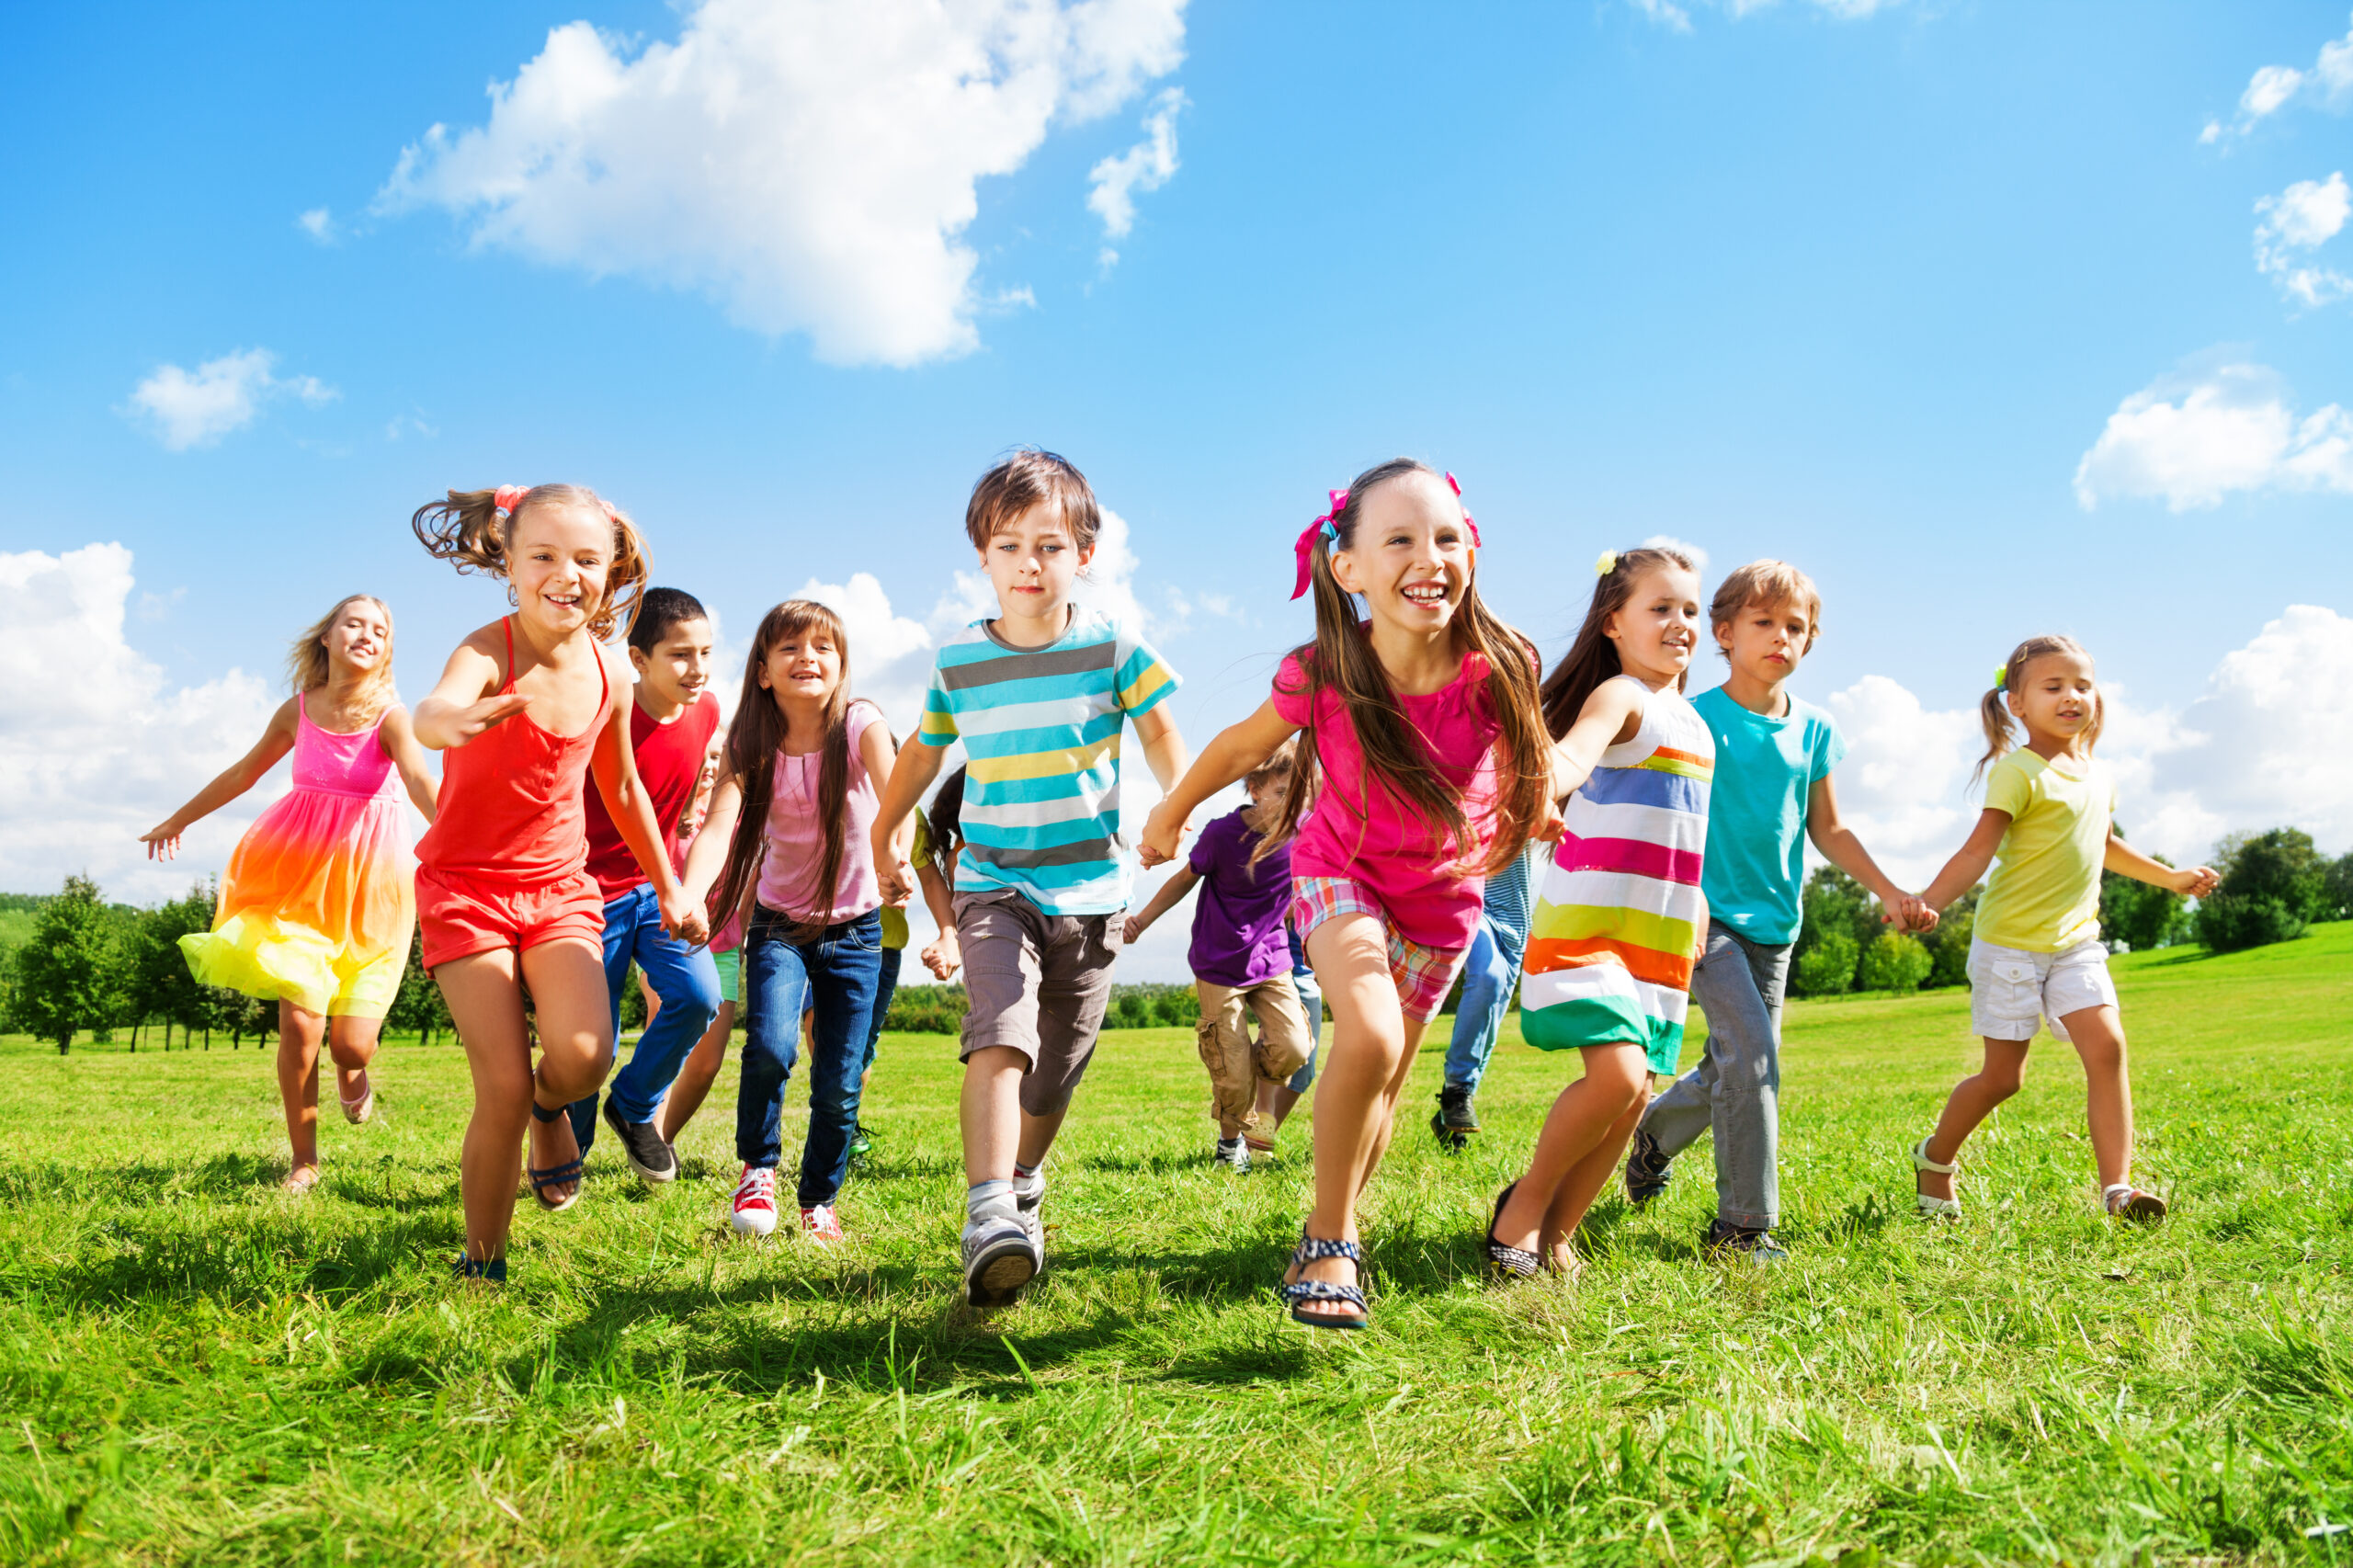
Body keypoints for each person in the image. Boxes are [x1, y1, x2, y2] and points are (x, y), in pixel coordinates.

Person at [1141, 460, 1552, 1331]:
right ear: (1348, 566)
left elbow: (1530, 761)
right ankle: (1327, 1238)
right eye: (1399, 538)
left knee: (1384, 1088)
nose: (1428, 557)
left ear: (1470, 553)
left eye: (1446, 537)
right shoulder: (1327, 668)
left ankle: (1341, 1217)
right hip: (1342, 874)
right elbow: (1234, 747)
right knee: (1361, 1031)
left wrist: (1534, 808)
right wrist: (1172, 810)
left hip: (1442, 904)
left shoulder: (1499, 664)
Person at [872, 449, 1188, 1310]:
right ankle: (987, 1216)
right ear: (983, 556)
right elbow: (920, 753)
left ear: (1083, 554)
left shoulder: (1113, 647)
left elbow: (1161, 734)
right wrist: (885, 827)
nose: (1028, 564)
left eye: (1048, 547)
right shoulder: (959, 663)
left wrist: (1174, 805)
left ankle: (1023, 1180)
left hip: (1090, 892)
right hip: (992, 882)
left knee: (1056, 1071)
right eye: (1009, 546)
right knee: (1000, 1033)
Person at [409, 483, 700, 1284]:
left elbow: (624, 791)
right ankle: (483, 1261)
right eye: (542, 555)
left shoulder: (611, 673)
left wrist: (670, 885)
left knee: (583, 1056)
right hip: (466, 891)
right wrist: (445, 722)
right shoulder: (488, 651)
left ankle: (551, 1110)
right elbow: (434, 710)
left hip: (561, 891)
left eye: (585, 559)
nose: (564, 573)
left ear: (612, 572)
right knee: (500, 1082)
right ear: (508, 560)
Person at [1621, 561, 1931, 1260]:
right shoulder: (1697, 719)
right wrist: (1687, 896)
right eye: (1764, 623)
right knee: (1753, 1058)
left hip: (1776, 926)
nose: (1780, 637)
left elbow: (1830, 828)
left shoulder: (1816, 729)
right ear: (1724, 633)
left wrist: (1887, 890)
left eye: (1795, 627)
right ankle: (1741, 1227)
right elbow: (1666, 817)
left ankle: (1653, 1135)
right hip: (1706, 918)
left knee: (1738, 1061)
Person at [1908, 635, 2217, 1223]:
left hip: (2077, 943)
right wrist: (1932, 901)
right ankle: (1935, 1158)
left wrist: (2172, 879)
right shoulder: (2017, 773)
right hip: (2010, 948)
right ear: (2017, 704)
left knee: (2108, 1047)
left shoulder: (2098, 777)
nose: (2072, 696)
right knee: (2004, 1079)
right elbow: (1977, 854)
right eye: (2053, 686)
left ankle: (2118, 1191)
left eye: (2082, 685)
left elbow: (2104, 846)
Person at [142, 595, 438, 1195]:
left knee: (351, 1042)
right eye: (353, 623)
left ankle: (352, 1072)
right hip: (297, 888)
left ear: (387, 651)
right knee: (300, 1023)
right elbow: (242, 774)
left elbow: (419, 778)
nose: (367, 633)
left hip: (373, 895)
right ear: (326, 638)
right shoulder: (297, 710)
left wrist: (459, 841)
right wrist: (179, 819)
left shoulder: (393, 717)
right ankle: (304, 1161)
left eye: (380, 629)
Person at [1488, 547, 1713, 1284]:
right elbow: (1572, 755)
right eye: (1661, 608)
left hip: (1661, 935)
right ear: (1614, 622)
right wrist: (1541, 793)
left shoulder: (1698, 726)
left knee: (1638, 1090)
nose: (1680, 624)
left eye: (1689, 610)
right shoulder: (1624, 696)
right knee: (1615, 1076)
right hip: (1592, 926)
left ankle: (1560, 1232)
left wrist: (1699, 900)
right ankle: (1523, 1207)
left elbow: (1682, 830)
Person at [681, 599, 897, 1246]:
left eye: (823, 647)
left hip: (858, 931)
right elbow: (720, 824)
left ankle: (819, 1200)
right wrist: (692, 893)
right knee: (772, 1047)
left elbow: (897, 795)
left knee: (838, 1080)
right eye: (790, 648)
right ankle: (758, 1170)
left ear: (841, 665)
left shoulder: (861, 723)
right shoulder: (751, 743)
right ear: (764, 670)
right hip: (779, 927)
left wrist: (893, 857)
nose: (808, 657)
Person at [563, 587, 722, 1184]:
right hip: (586, 895)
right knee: (589, 1042)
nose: (698, 668)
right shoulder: (609, 712)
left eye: (706, 652)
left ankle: (631, 1106)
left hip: (655, 888)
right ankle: (568, 1152)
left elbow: (679, 798)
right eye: (681, 655)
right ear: (638, 659)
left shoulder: (706, 712)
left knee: (698, 995)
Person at [1124, 739, 1312, 1173]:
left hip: (1273, 959)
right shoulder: (1223, 835)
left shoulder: (1303, 834)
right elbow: (1184, 880)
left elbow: (1302, 890)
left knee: (1294, 1045)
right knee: (1231, 1065)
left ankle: (1260, 1116)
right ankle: (1231, 1144)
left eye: (1298, 794)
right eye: (1282, 792)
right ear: (1255, 788)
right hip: (1219, 962)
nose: (1290, 804)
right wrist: (1143, 920)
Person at [846, 744, 960, 1164]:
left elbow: (930, 881)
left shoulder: (911, 817)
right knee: (823, 1032)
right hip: (819, 940)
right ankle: (837, 1122)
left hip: (882, 947)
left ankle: (844, 1125)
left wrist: (949, 934)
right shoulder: (831, 799)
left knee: (859, 1046)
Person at [1429, 840, 1542, 1150]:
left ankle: (1453, 1111)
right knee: (1488, 979)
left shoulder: (1528, 792)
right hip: (1472, 902)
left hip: (1517, 920)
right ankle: (1456, 1089)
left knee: (1489, 1020)